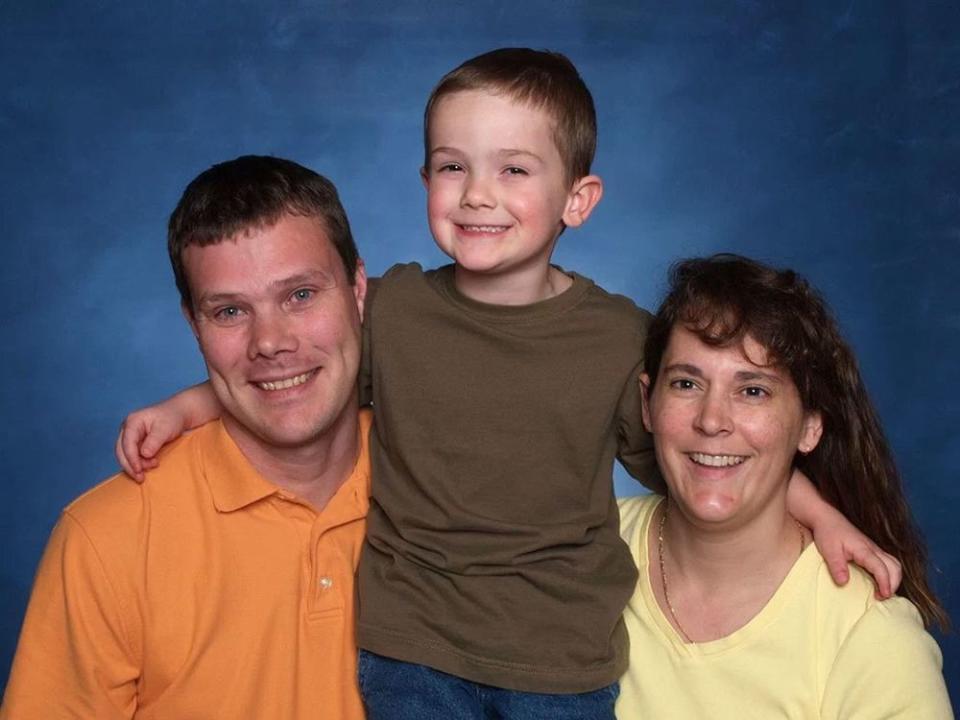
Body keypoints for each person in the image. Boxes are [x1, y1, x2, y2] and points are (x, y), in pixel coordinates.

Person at [115, 50, 900, 719]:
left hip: (563, 661)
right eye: (453, 167)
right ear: (424, 178)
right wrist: (180, 408)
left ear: (577, 200)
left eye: (513, 170)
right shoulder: (393, 310)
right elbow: (284, 372)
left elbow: (701, 453)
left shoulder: (618, 337)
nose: (477, 194)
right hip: (413, 649)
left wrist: (824, 516)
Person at [0, 156, 371, 719]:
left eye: (299, 295)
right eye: (229, 311)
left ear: (359, 290)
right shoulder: (106, 539)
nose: (269, 342)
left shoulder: (454, 476)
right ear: (194, 326)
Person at [616, 254, 953, 718]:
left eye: (753, 390)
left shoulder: (867, 636)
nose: (713, 420)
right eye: (687, 383)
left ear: (810, 426)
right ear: (647, 403)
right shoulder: (581, 545)